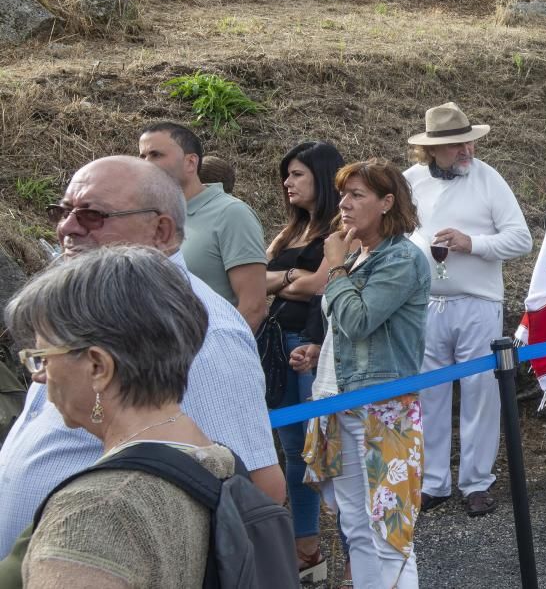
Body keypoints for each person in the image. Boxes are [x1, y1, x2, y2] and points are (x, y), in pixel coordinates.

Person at [0, 157, 284, 559]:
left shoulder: (204, 332)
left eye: (92, 215)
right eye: (62, 212)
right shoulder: (90, 304)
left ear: (161, 230)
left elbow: (252, 488)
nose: (66, 227)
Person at [1, 245, 240, 587]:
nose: (39, 375)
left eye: (43, 357)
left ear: (98, 366)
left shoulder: (93, 512)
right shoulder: (218, 463)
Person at [302, 159, 429, 589]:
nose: (345, 204)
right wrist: (318, 350)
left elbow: (359, 320)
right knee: (355, 526)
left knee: (390, 532)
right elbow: (349, 332)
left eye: (357, 195)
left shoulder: (402, 259)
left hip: (382, 406)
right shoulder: (359, 255)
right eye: (343, 194)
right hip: (337, 399)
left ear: (387, 202)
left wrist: (335, 267)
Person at [404, 102, 532, 516]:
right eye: (457, 145)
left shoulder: (488, 179)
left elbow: (520, 240)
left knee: (480, 392)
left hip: (478, 303)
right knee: (429, 393)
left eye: (469, 142)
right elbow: (398, 236)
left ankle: (476, 482)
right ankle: (434, 481)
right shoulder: (409, 182)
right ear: (432, 149)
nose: (467, 151)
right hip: (426, 303)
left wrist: (471, 243)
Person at [264, 141, 345, 582]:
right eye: (287, 174)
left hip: (310, 344)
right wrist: (292, 279)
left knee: (318, 451)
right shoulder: (290, 230)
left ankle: (326, 547)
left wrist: (284, 280)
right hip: (276, 343)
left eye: (297, 174)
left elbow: (321, 286)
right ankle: (307, 547)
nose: (287, 182)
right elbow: (259, 279)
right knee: (292, 449)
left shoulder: (339, 230)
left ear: (321, 177)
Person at [139, 122, 267, 331]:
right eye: (142, 157)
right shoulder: (151, 218)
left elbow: (253, 307)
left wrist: (215, 354)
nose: (146, 164)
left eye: (156, 155)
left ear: (191, 162)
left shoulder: (231, 214)